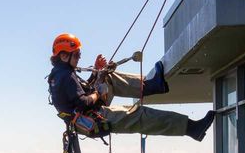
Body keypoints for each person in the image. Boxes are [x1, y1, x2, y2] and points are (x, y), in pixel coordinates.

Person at [47, 33, 215, 141]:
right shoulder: (64, 76)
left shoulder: (63, 73)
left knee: (108, 75)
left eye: (79, 54)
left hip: (87, 114)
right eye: (76, 55)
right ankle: (192, 128)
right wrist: (98, 94)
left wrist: (98, 73)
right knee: (139, 115)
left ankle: (150, 86)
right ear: (63, 56)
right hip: (90, 118)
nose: (78, 58)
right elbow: (83, 102)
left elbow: (81, 91)